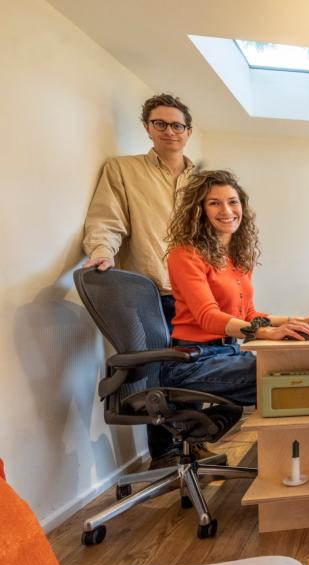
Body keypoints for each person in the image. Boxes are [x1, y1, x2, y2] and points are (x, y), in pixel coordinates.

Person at [160, 170, 309, 427]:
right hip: (194, 360)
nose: (227, 210)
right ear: (198, 211)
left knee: (299, 364)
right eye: (214, 203)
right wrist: (264, 333)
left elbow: (248, 314)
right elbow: (208, 317)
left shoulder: (237, 257)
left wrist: (295, 320)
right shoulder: (185, 254)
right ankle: (285, 457)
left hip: (228, 351)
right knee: (281, 378)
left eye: (233, 201)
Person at [81, 93, 199, 467]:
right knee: (159, 376)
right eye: (160, 124)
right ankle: (165, 456)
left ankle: (192, 448)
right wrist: (102, 251)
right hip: (151, 290)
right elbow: (107, 220)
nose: (169, 131)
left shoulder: (201, 182)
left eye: (177, 125)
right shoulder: (123, 170)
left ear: (188, 132)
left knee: (195, 371)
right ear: (148, 128)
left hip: (195, 293)